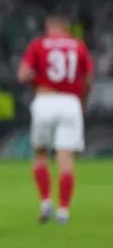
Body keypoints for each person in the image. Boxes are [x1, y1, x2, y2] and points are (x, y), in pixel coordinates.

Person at [17, 15, 94, 224]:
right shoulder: (78, 46)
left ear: (52, 27)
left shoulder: (39, 44)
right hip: (71, 103)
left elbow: (23, 75)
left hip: (46, 99)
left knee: (40, 153)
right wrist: (82, 101)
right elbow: (88, 79)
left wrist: (35, 77)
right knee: (66, 159)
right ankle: (63, 211)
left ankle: (45, 203)